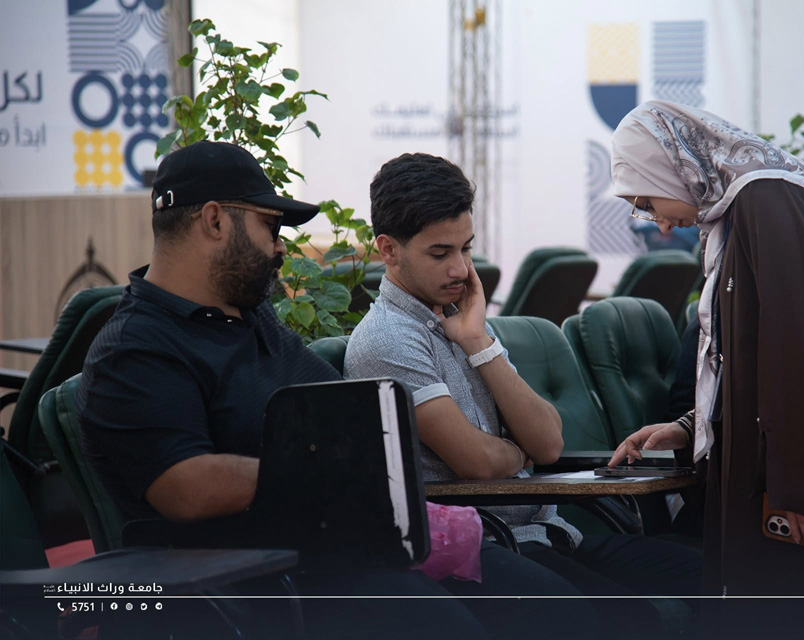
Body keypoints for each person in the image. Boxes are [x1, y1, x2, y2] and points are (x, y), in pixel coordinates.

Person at [75, 141, 599, 640]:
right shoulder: (135, 348)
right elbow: (187, 487)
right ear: (214, 221)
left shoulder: (250, 321)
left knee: (571, 613)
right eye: (270, 227)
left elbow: (356, 416)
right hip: (253, 590)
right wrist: (340, 466)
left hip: (334, 559)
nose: (281, 247)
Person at [343, 152, 702, 635]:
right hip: (481, 544)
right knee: (622, 617)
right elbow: (477, 461)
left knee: (712, 575)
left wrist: (477, 342)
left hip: (546, 532)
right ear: (388, 250)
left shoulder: (467, 321)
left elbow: (548, 443)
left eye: (466, 249)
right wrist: (517, 452)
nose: (460, 269)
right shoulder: (387, 340)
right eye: (440, 253)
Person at [606, 101, 804, 638]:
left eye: (647, 201)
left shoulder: (764, 200)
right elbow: (757, 357)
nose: (658, 221)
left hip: (802, 488)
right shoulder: (760, 199)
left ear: (675, 164)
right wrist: (692, 425)